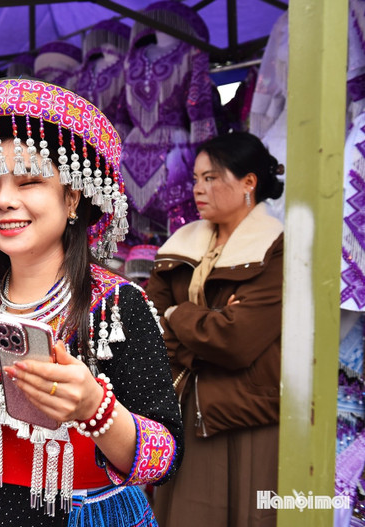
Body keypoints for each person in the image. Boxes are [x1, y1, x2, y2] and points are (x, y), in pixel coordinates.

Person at [0, 78, 183, 527]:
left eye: (30, 181)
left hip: (87, 514)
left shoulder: (117, 306)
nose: (5, 202)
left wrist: (96, 408)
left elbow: (165, 459)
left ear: (72, 196)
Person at [147, 131, 285, 527]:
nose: (198, 189)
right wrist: (204, 325)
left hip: (243, 411)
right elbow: (149, 325)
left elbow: (236, 341)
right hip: (185, 404)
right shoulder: (181, 244)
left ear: (248, 183)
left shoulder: (274, 247)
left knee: (248, 510)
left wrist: (177, 315)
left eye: (211, 178)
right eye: (195, 179)